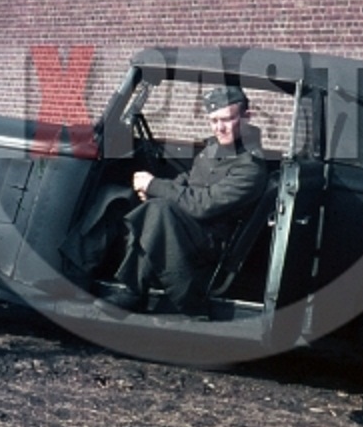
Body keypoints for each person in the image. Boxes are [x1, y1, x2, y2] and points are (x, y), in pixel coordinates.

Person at [100, 85, 268, 316]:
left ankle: (138, 292)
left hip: (212, 241)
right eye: (213, 121)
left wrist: (155, 186)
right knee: (149, 206)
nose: (220, 128)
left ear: (246, 117)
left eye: (227, 120)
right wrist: (156, 189)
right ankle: (132, 288)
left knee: (159, 210)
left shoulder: (250, 167)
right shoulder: (213, 149)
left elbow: (203, 205)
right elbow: (190, 179)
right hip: (191, 228)